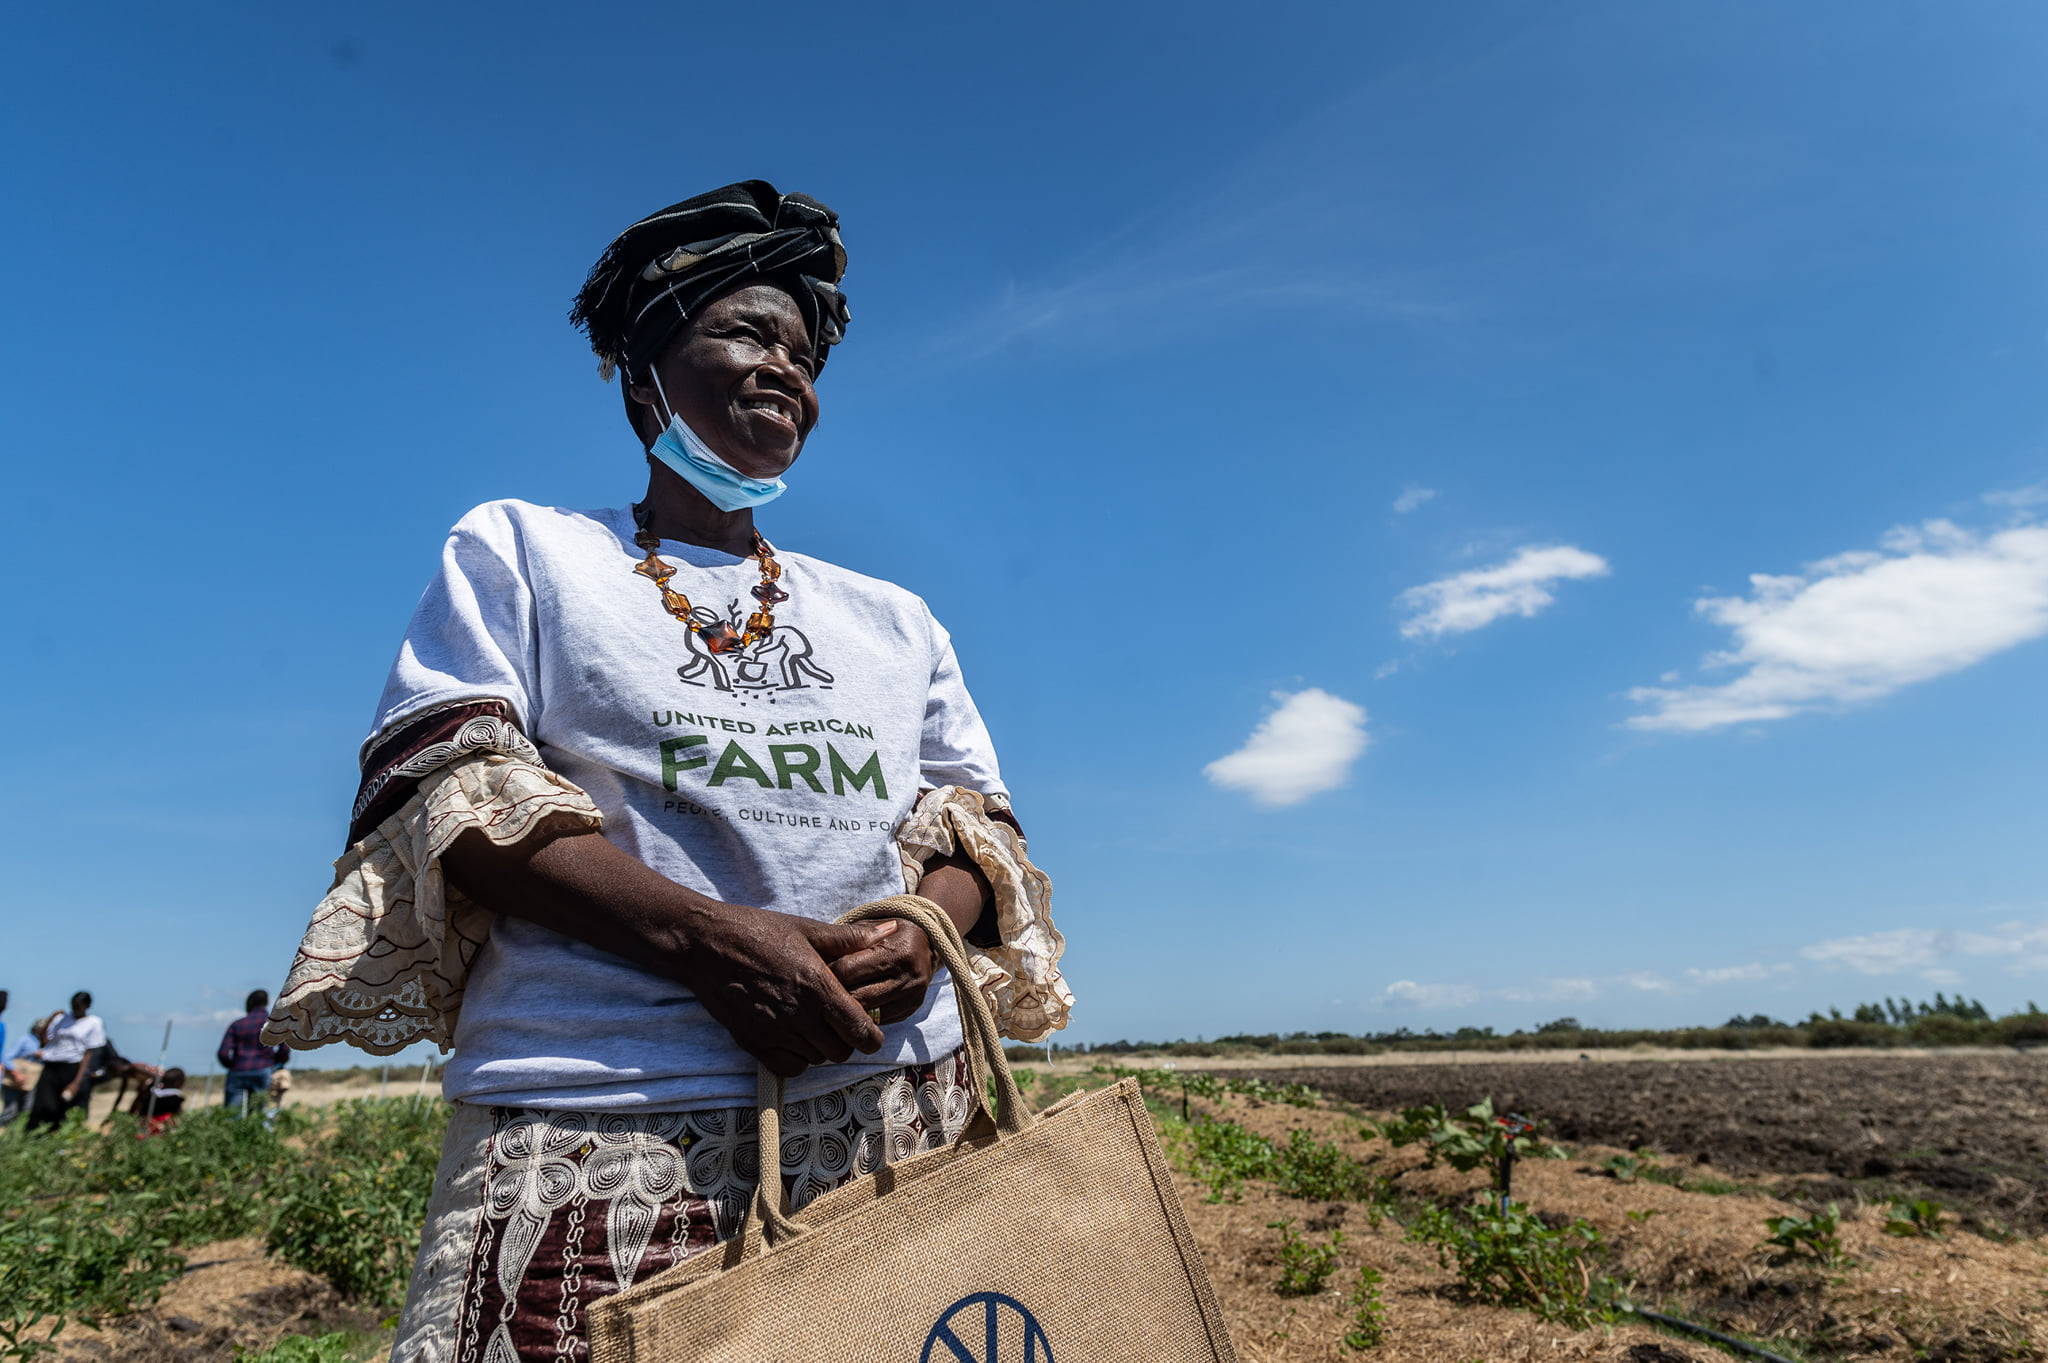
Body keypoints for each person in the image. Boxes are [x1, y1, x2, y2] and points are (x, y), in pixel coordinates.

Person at [262, 181, 1071, 1363]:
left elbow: (974, 827)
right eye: (744, 332)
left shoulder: (895, 618)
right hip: (605, 1116)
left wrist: (919, 933)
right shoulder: (525, 551)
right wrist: (709, 943)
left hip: (889, 1106)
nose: (784, 367)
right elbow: (454, 794)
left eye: (802, 353)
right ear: (643, 374)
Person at [26, 992, 104, 1132]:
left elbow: (88, 1054)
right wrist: (51, 1019)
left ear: (86, 1006)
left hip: (71, 1067)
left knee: (61, 1105)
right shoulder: (61, 1019)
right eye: (73, 1006)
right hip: (52, 1065)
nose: (74, 1009)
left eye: (78, 1006)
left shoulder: (93, 1022)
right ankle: (33, 1135)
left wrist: (76, 1082)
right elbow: (44, 1042)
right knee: (42, 1103)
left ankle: (53, 1135)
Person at [217, 990, 289, 1113]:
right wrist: (276, 1063)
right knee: (261, 1115)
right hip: (264, 1070)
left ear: (249, 1003)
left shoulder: (236, 1024)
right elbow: (285, 1050)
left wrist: (234, 1065)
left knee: (231, 1115)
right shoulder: (273, 1023)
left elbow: (223, 1053)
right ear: (266, 1003)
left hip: (238, 1071)